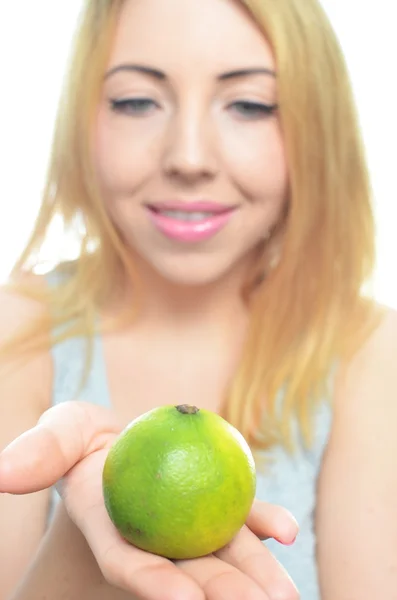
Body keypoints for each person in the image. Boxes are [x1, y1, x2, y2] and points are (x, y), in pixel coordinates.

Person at [0, 0, 396, 598]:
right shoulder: (17, 331)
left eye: (249, 104)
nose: (188, 158)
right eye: (137, 101)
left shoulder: (367, 353)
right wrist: (87, 538)